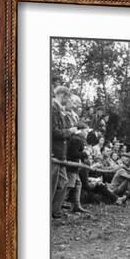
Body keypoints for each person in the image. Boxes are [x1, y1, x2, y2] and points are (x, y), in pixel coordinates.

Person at [51, 86, 78, 219]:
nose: (68, 100)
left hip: (60, 154)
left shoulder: (58, 110)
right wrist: (70, 132)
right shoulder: (52, 108)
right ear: (61, 95)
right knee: (51, 184)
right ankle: (52, 212)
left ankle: (56, 211)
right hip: (54, 153)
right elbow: (53, 132)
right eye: (67, 97)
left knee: (63, 181)